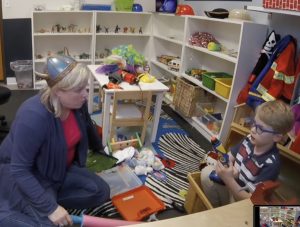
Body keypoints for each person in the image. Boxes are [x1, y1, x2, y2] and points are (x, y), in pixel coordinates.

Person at [0, 55, 110, 226]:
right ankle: (11, 210)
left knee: (101, 191)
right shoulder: (33, 116)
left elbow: (88, 128)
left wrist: (103, 154)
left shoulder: (77, 105)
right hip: (30, 175)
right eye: (79, 89)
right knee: (51, 223)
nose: (86, 95)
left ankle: (37, 203)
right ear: (58, 91)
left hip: (58, 170)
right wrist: (50, 208)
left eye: (86, 88)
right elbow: (20, 170)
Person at [201, 100, 294, 207]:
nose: (253, 130)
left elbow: (250, 200)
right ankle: (215, 210)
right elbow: (230, 157)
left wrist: (228, 178)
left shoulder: (271, 164)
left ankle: (222, 215)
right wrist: (228, 168)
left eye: (260, 129)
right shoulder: (249, 139)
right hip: (231, 184)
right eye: (254, 123)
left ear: (276, 137)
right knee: (205, 173)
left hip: (242, 200)